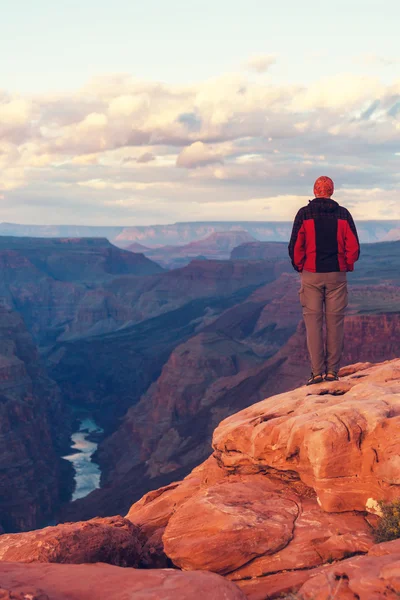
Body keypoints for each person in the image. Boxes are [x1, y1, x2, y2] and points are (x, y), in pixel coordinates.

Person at [288, 176, 360, 385]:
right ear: (332, 191)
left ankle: (317, 373)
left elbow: (295, 247)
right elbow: (353, 247)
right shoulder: (343, 214)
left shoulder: (304, 214)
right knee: (335, 323)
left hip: (311, 274)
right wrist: (346, 265)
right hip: (337, 274)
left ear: (314, 190)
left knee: (313, 324)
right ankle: (332, 373)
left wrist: (301, 267)